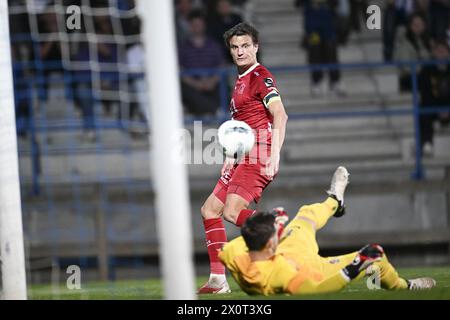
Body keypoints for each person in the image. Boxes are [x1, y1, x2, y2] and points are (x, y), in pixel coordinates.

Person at [219, 167, 437, 296]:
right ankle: (406, 286)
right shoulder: (279, 276)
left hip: (285, 252)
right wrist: (353, 267)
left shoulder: (234, 250)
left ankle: (335, 201)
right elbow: (319, 290)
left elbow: (231, 246)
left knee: (305, 214)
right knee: (375, 255)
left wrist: (274, 221)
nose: (280, 231)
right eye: (277, 233)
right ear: (270, 244)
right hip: (310, 267)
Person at [198, 22, 289, 294]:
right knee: (209, 211)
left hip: (259, 153)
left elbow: (280, 115)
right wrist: (229, 155)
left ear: (256, 47)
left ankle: (275, 225)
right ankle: (217, 280)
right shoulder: (239, 80)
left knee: (231, 212)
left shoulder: (260, 76)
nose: (240, 51)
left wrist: (274, 156)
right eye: (235, 47)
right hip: (241, 155)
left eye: (245, 46)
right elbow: (239, 126)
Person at [178, 10, 225, 116]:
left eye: (199, 25)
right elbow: (180, 70)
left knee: (224, 84)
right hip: (192, 84)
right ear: (190, 26)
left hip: (211, 83)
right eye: (194, 25)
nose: (197, 27)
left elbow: (221, 67)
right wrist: (196, 84)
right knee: (183, 89)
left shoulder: (214, 45)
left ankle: (210, 109)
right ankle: (215, 110)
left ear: (204, 26)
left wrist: (211, 81)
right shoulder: (183, 48)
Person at [418, 40, 450, 155]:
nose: (441, 54)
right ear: (434, 53)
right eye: (438, 51)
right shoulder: (426, 70)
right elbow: (425, 93)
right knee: (423, 113)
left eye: (444, 51)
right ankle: (427, 143)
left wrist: (446, 108)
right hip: (433, 107)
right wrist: (439, 109)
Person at [394, 13, 431, 92]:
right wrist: (421, 69)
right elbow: (406, 66)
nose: (418, 27)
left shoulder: (425, 41)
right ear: (410, 26)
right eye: (415, 25)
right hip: (409, 78)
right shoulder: (404, 42)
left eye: (420, 24)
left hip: (422, 76)